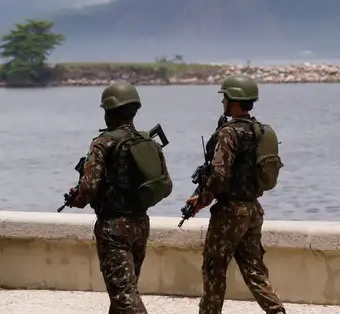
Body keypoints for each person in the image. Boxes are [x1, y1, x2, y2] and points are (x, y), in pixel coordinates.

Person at [184, 74, 285, 314]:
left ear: (236, 101)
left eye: (226, 98)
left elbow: (219, 175)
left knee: (214, 269)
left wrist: (202, 200)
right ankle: (276, 311)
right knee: (254, 269)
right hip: (252, 210)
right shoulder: (259, 131)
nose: (223, 103)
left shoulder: (228, 134)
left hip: (230, 212)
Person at [66, 81, 166, 314]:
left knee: (124, 296)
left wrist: (78, 200)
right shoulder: (147, 141)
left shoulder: (102, 144)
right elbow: (165, 184)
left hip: (113, 228)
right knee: (125, 290)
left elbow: (89, 187)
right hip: (140, 223)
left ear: (109, 111)